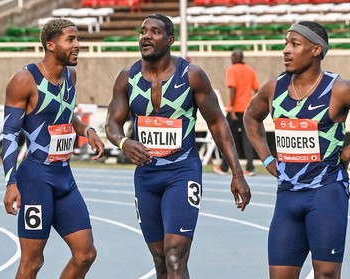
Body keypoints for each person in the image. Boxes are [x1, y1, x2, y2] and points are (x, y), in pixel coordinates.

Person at [243, 21, 350, 279]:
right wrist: (267, 157)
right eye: (285, 44)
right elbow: (250, 118)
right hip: (288, 194)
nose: (286, 50)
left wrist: (348, 152)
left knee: (325, 274)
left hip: (326, 192)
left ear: (316, 50)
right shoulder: (273, 87)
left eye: (294, 44)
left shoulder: (341, 89)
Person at [105, 13, 251, 279]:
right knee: (160, 260)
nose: (146, 36)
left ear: (170, 40)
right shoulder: (127, 77)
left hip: (182, 172)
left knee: (175, 256)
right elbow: (111, 125)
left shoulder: (192, 75)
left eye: (154, 32)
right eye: (142, 31)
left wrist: (237, 173)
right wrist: (124, 142)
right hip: (146, 176)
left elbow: (218, 123)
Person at [2, 18, 104, 278]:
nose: (77, 45)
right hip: (36, 178)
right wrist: (10, 183)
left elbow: (65, 115)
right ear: (50, 45)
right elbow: (10, 133)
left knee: (86, 254)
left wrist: (87, 131)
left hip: (64, 176)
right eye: (70, 40)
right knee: (32, 262)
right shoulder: (24, 80)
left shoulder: (71, 75)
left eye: (77, 39)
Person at [213, 49, 259, 177]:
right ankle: (250, 168)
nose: (231, 58)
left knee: (227, 138)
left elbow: (233, 88)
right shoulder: (250, 70)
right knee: (247, 138)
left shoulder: (232, 69)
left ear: (236, 57)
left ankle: (224, 167)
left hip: (236, 109)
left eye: (232, 55)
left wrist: (232, 107)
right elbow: (257, 89)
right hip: (247, 110)